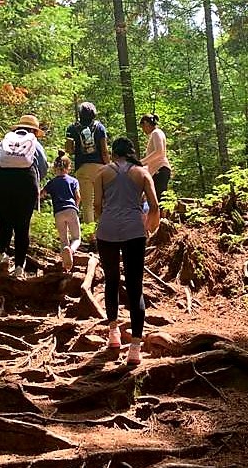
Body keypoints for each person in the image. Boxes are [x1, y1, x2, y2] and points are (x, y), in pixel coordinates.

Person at [94, 137, 160, 366]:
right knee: (135, 287)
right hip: (134, 231)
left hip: (107, 231)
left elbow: (97, 206)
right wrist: (149, 226)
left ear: (113, 153)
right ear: (132, 152)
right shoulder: (142, 173)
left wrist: (105, 221)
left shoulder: (102, 173)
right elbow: (154, 205)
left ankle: (113, 334)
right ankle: (135, 348)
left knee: (111, 281)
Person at [0, 114, 48, 279]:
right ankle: (19, 269)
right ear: (34, 131)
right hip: (26, 184)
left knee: (5, 223)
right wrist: (35, 181)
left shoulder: (4, 142)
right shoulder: (35, 144)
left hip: (0, 184)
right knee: (22, 228)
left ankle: (3, 257)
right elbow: (43, 167)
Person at [65, 102, 109, 224]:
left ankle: (90, 234)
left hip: (82, 167)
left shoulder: (72, 128)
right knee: (101, 201)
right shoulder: (100, 127)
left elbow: (69, 150)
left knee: (87, 203)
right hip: (100, 167)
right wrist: (109, 166)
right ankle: (104, 230)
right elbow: (104, 151)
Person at [42, 150, 81, 272]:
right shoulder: (73, 181)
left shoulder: (52, 183)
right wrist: (76, 206)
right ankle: (72, 250)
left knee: (64, 239)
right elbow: (78, 197)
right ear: (69, 167)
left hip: (58, 212)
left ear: (55, 168)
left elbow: (41, 194)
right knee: (76, 238)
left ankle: (66, 264)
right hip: (71, 210)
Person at [140, 113, 172, 202]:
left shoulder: (156, 133)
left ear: (146, 123)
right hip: (156, 170)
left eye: (143, 127)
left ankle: (162, 216)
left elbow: (159, 152)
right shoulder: (156, 133)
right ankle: (161, 216)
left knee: (159, 199)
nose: (143, 130)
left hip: (160, 169)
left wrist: (142, 162)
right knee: (157, 199)